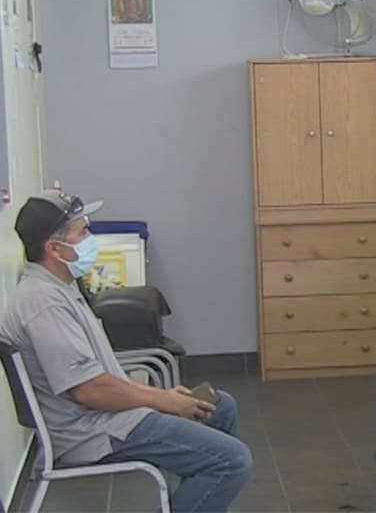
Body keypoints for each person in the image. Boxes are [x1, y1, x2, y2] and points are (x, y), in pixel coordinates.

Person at [0, 191, 250, 513]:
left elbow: (101, 375)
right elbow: (90, 390)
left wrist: (162, 395)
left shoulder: (60, 288)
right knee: (232, 461)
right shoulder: (43, 304)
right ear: (54, 248)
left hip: (106, 415)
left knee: (220, 407)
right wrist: (163, 400)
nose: (90, 238)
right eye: (82, 232)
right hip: (92, 431)